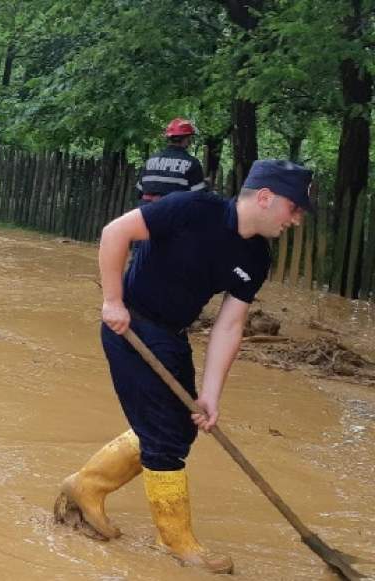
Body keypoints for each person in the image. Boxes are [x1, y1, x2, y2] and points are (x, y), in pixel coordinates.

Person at [54, 160, 313, 574]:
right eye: (294, 208)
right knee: (165, 441)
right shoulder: (193, 209)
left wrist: (211, 394)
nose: (296, 220)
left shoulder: (256, 258)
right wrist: (113, 301)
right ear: (265, 198)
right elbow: (115, 232)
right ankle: (176, 542)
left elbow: (230, 325)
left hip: (171, 337)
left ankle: (86, 485)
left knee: (179, 428)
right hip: (130, 327)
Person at [135, 118, 208, 205]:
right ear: (187, 139)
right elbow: (199, 196)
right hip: (173, 214)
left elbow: (139, 192)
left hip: (146, 213)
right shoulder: (192, 163)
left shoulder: (150, 160)